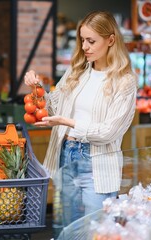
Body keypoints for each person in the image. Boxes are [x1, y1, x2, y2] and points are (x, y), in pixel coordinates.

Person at [24, 10, 138, 238]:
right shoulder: (77, 71)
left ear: (111, 40)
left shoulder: (125, 81)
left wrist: (68, 122)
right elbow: (54, 109)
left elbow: (109, 132)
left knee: (94, 231)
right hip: (66, 155)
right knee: (67, 230)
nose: (85, 46)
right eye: (82, 40)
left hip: (96, 163)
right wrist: (37, 90)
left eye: (91, 41)